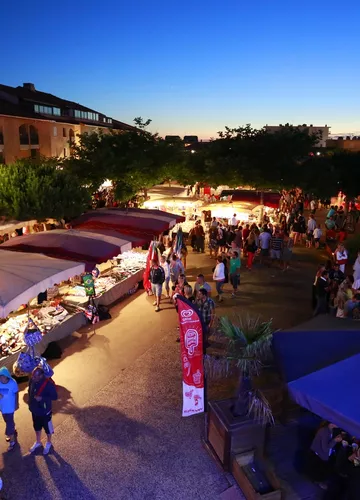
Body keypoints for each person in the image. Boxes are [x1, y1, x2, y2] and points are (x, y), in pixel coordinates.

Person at [28, 367, 58, 455]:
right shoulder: (32, 381)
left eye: (35, 376)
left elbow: (55, 397)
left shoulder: (48, 385)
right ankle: (38, 442)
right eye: (32, 375)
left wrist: (42, 398)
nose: (33, 378)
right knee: (37, 427)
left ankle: (48, 442)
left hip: (45, 412)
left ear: (41, 376)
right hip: (35, 410)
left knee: (48, 429)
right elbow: (30, 391)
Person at [308, 422, 342, 488]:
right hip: (319, 456)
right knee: (320, 471)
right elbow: (325, 448)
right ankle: (319, 481)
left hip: (323, 455)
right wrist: (335, 440)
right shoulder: (324, 432)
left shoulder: (330, 429)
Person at [0, 367, 19, 451]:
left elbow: (16, 393)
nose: (1, 378)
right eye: (0, 376)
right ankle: (13, 429)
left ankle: (12, 441)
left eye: (2, 376)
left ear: (7, 376)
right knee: (7, 421)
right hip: (2, 407)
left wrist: (16, 403)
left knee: (9, 423)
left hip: (10, 407)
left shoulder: (12, 383)